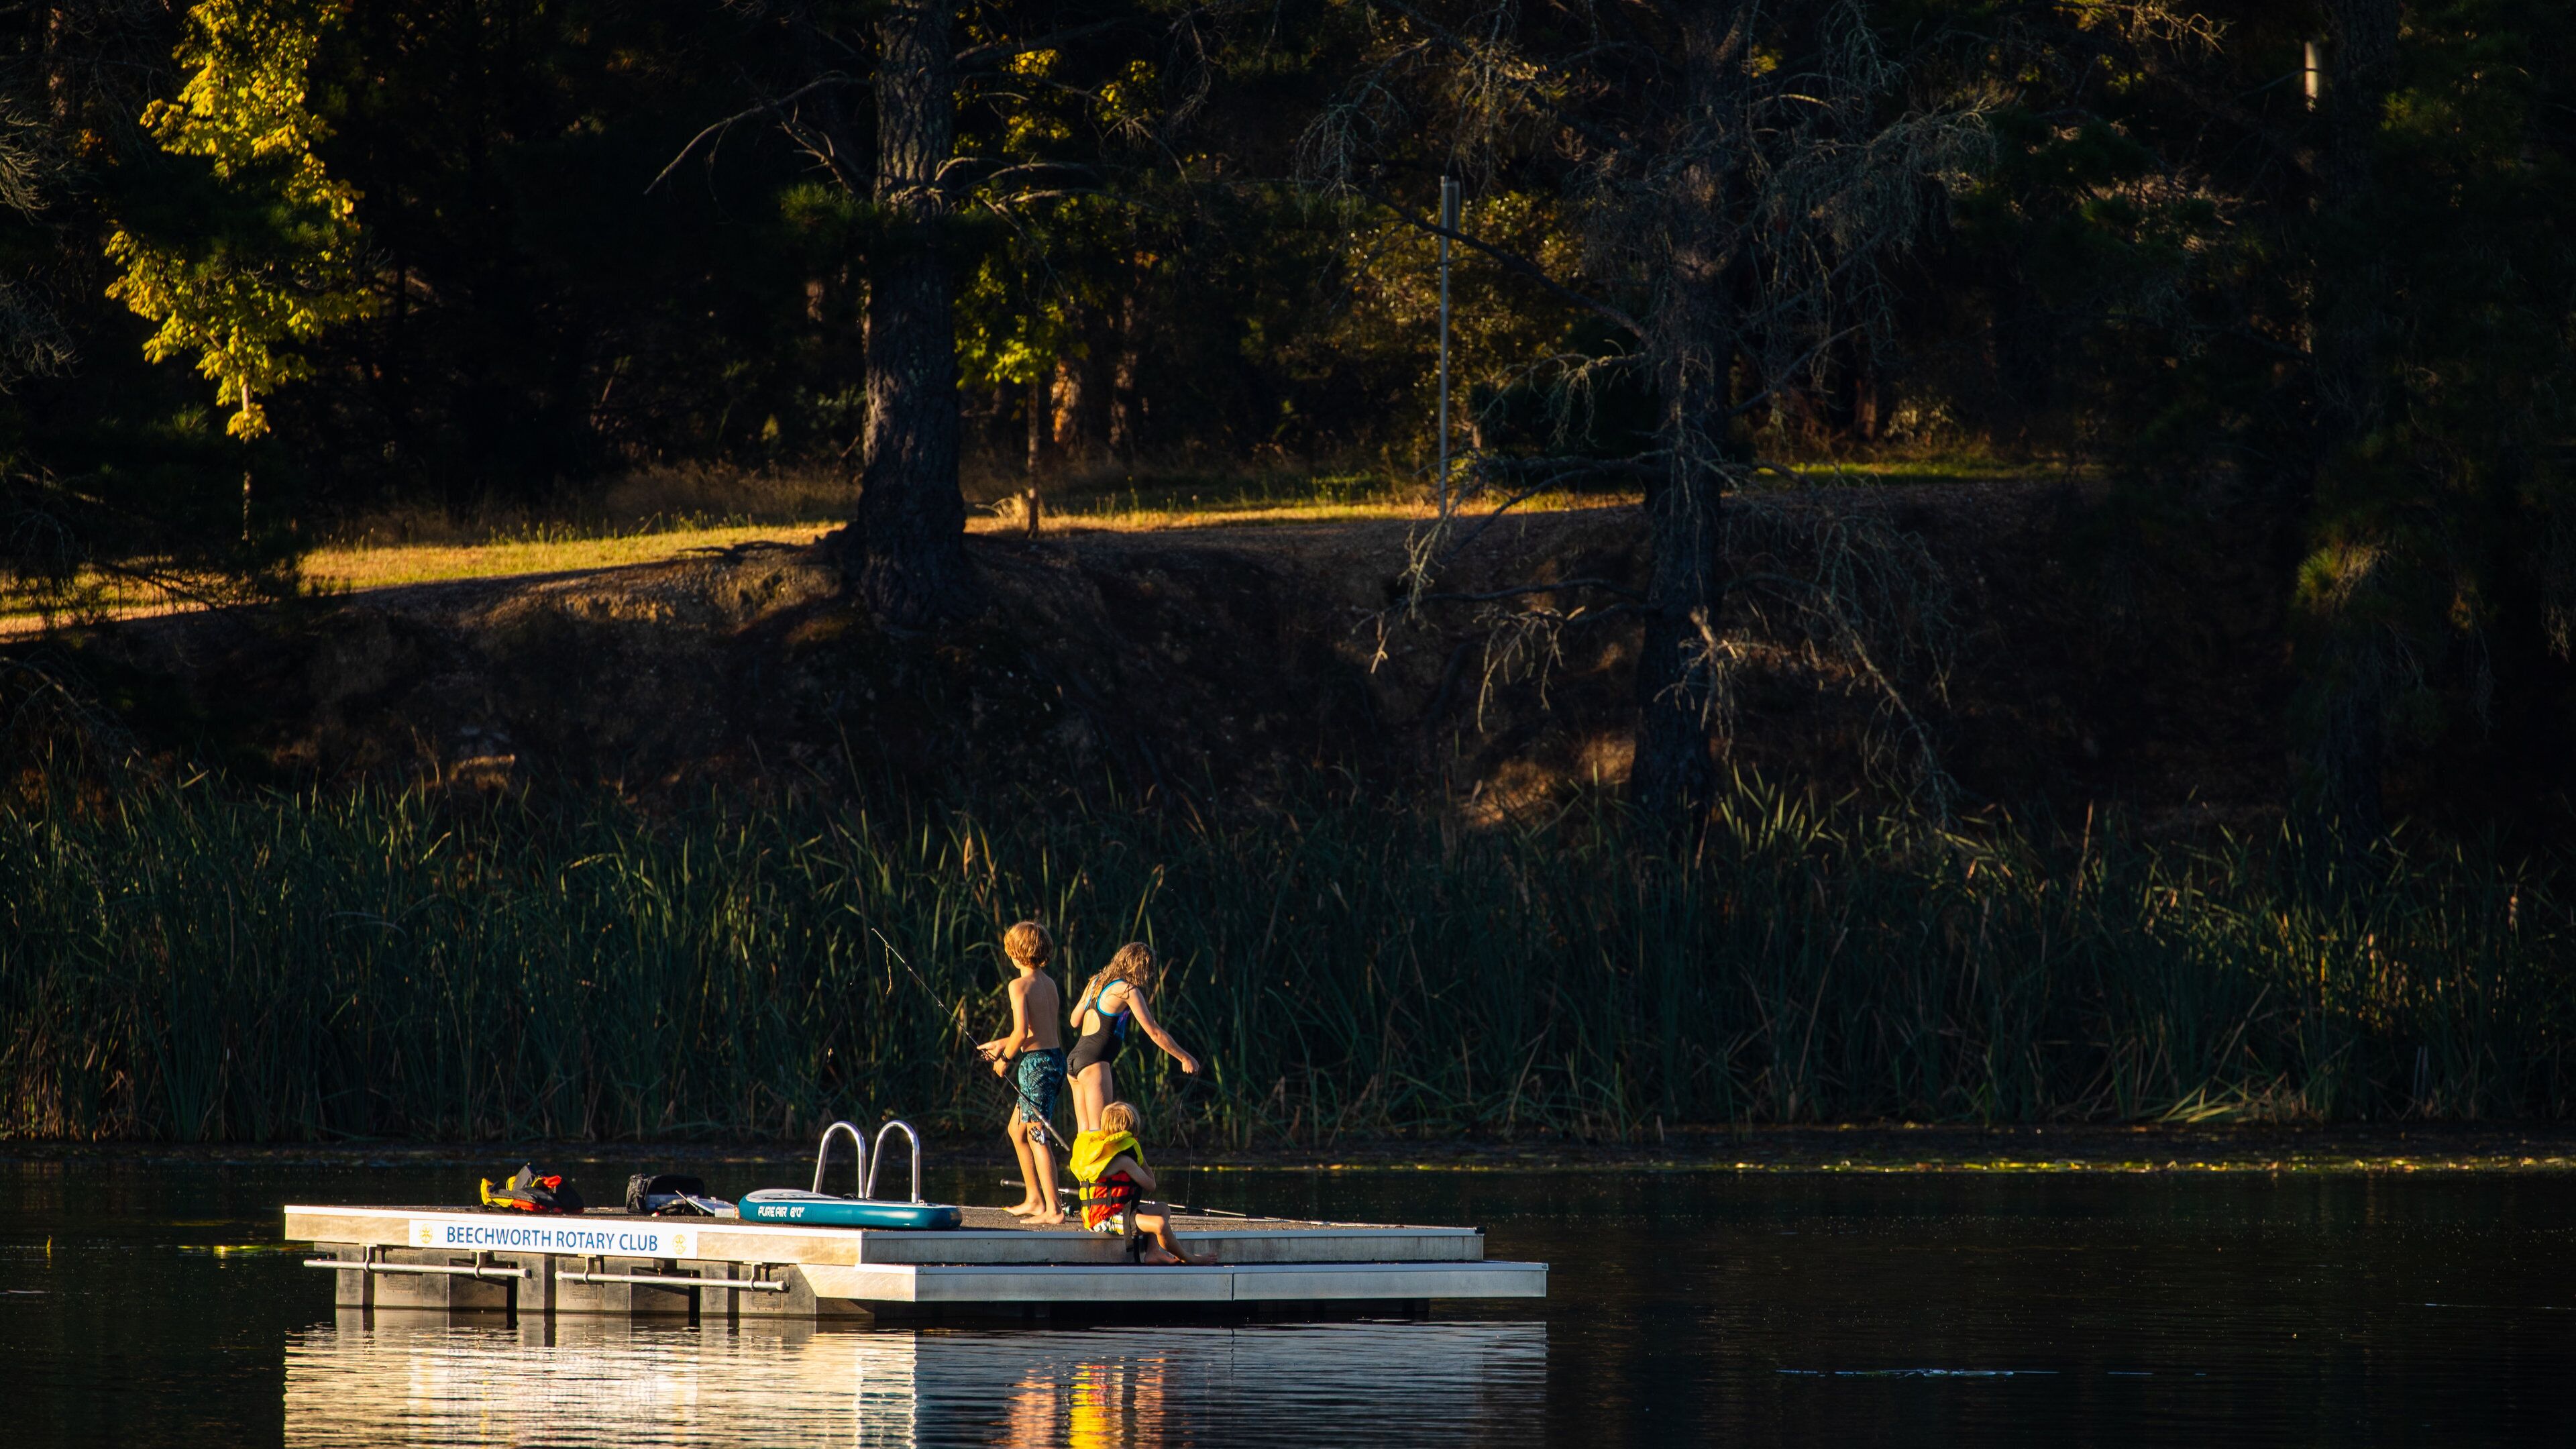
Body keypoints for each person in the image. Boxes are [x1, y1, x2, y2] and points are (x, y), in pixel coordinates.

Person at [976, 920, 1067, 1222]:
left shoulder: (1018, 986)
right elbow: (1037, 1031)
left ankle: (1054, 1209)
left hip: (1036, 1066)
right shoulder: (1049, 984)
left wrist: (1004, 1058)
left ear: (1016, 954)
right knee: (1017, 1130)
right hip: (1054, 1059)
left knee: (1037, 1134)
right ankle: (1034, 1199)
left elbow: (1021, 1032)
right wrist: (1001, 1043)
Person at [1066, 942, 1203, 1134]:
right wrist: (1184, 1057)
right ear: (1140, 967)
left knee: (1084, 1134)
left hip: (1074, 1061)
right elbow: (1154, 1032)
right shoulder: (1127, 990)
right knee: (1100, 1133)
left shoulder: (1095, 982)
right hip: (1095, 1062)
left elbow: (1074, 1021)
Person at [1067, 1100, 1208, 1265]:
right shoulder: (1125, 1162)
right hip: (1105, 1220)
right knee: (1160, 1224)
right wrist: (1138, 1156)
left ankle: (1153, 1252)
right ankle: (1187, 1258)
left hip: (1110, 1213)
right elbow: (1151, 1184)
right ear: (1132, 1130)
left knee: (1163, 1209)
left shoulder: (1101, 1154)